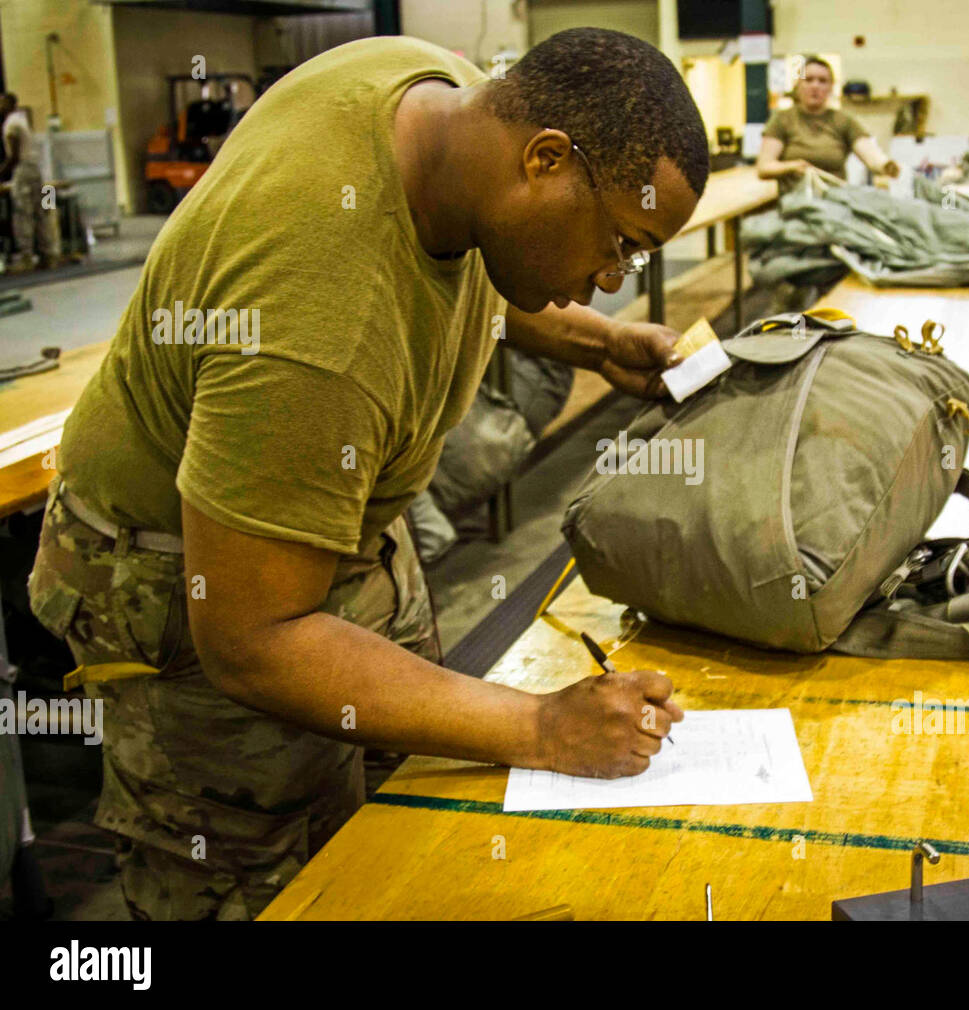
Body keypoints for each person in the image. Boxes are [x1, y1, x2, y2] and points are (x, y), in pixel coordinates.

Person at [27, 28, 707, 920]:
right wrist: (542, 725)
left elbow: (468, 252)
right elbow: (252, 638)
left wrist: (598, 340)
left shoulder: (441, 99)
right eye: (621, 241)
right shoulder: (314, 316)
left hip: (330, 526)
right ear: (545, 158)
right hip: (189, 583)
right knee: (256, 883)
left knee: (400, 832)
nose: (616, 278)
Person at [756, 56, 899, 196]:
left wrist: (886, 166)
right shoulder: (782, 119)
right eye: (809, 79)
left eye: (822, 81)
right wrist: (791, 167)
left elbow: (870, 153)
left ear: (831, 87)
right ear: (798, 84)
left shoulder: (844, 120)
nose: (815, 86)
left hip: (837, 200)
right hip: (795, 202)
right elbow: (764, 167)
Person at [0, 93, 61, 273]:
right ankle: (48, 255)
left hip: (23, 172)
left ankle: (26, 258)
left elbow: (14, 157)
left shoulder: (10, 124)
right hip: (36, 171)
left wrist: (1, 172)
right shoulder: (22, 120)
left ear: (8, 104)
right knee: (41, 213)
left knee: (22, 214)